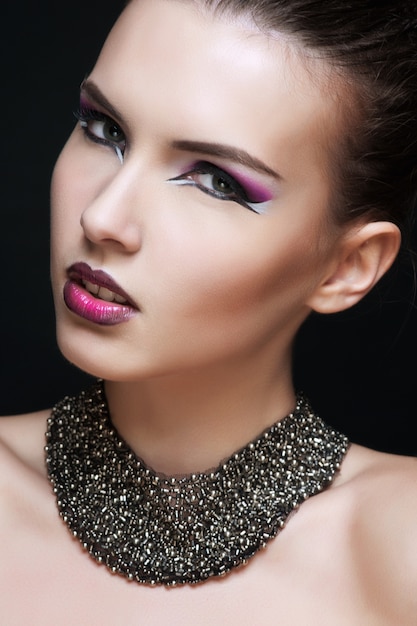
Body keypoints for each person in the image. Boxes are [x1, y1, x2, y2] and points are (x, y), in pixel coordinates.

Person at [1, 0, 416, 622]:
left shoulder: (398, 544)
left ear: (345, 267)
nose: (103, 218)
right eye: (105, 129)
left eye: (217, 181)